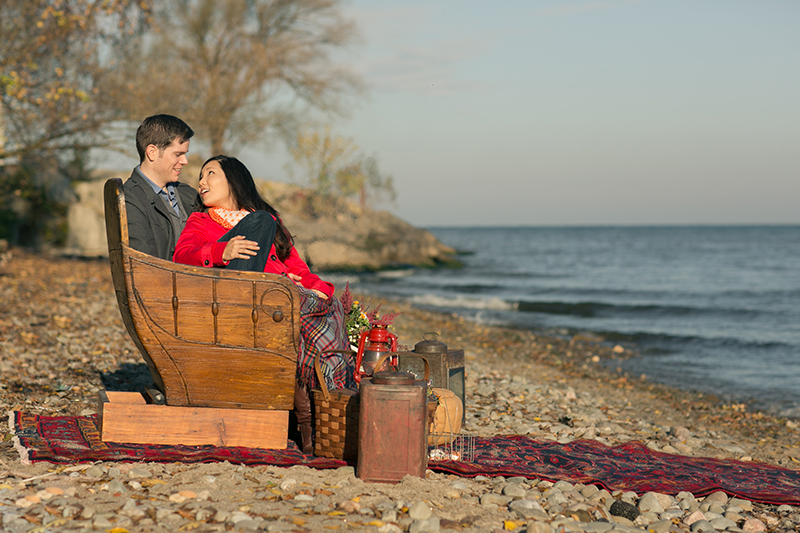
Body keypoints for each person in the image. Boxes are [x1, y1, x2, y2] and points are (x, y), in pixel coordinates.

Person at [173, 155, 354, 454]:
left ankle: (321, 417)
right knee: (261, 222)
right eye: (200, 177)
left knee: (328, 307)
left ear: (234, 180)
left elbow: (298, 267)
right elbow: (182, 256)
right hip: (235, 298)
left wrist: (318, 289)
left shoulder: (270, 220)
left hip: (275, 297)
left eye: (210, 174)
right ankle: (330, 409)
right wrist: (222, 250)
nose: (201, 182)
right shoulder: (201, 221)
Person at [123, 114, 202, 260]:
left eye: (185, 154)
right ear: (152, 152)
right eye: (178, 154)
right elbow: (145, 264)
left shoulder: (189, 194)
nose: (185, 161)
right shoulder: (129, 199)